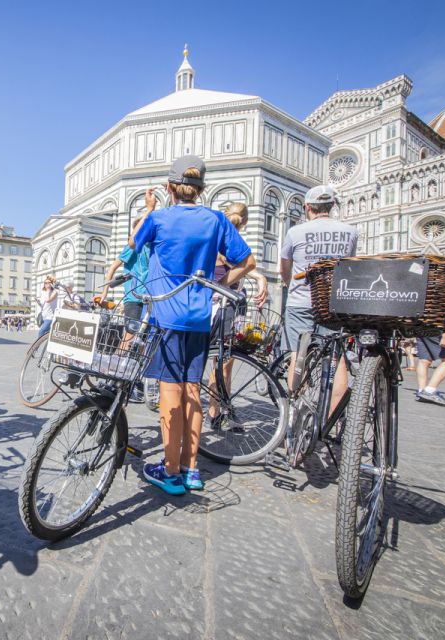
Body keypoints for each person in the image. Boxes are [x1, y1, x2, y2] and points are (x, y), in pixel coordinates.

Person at [132, 155, 255, 495]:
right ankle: (191, 470)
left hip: (166, 316)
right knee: (193, 390)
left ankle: (170, 473)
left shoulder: (158, 218)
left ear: (171, 186)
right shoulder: (216, 220)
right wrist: (220, 286)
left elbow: (133, 244)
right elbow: (248, 261)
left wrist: (149, 206)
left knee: (170, 391)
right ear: (201, 189)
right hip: (200, 316)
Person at [280, 184, 357, 418]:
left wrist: (289, 283)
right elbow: (348, 264)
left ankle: (297, 414)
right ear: (332, 206)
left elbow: (285, 266)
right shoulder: (350, 231)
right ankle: (333, 420)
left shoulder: (296, 232)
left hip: (301, 301)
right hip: (333, 303)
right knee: (337, 358)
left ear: (307, 207)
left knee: (298, 355)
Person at [206, 202, 268, 427]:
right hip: (224, 306)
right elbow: (242, 264)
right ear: (246, 222)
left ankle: (221, 408)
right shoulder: (226, 242)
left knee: (220, 361)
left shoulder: (220, 239)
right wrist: (260, 278)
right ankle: (216, 411)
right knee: (222, 362)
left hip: (220, 306)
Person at [415, 333, 445, 406]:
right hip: (437, 329)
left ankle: (422, 392)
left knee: (424, 360)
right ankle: (429, 391)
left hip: (420, 328)